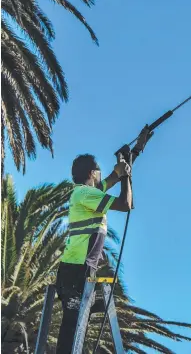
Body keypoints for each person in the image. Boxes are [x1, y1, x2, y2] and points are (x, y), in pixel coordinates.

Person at [55, 126, 152, 353]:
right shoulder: (84, 193)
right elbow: (126, 203)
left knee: (79, 322)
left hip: (80, 269)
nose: (101, 175)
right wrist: (125, 172)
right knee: (72, 326)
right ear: (91, 173)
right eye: (97, 171)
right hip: (75, 270)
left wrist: (136, 151)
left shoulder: (89, 193)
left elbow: (115, 177)